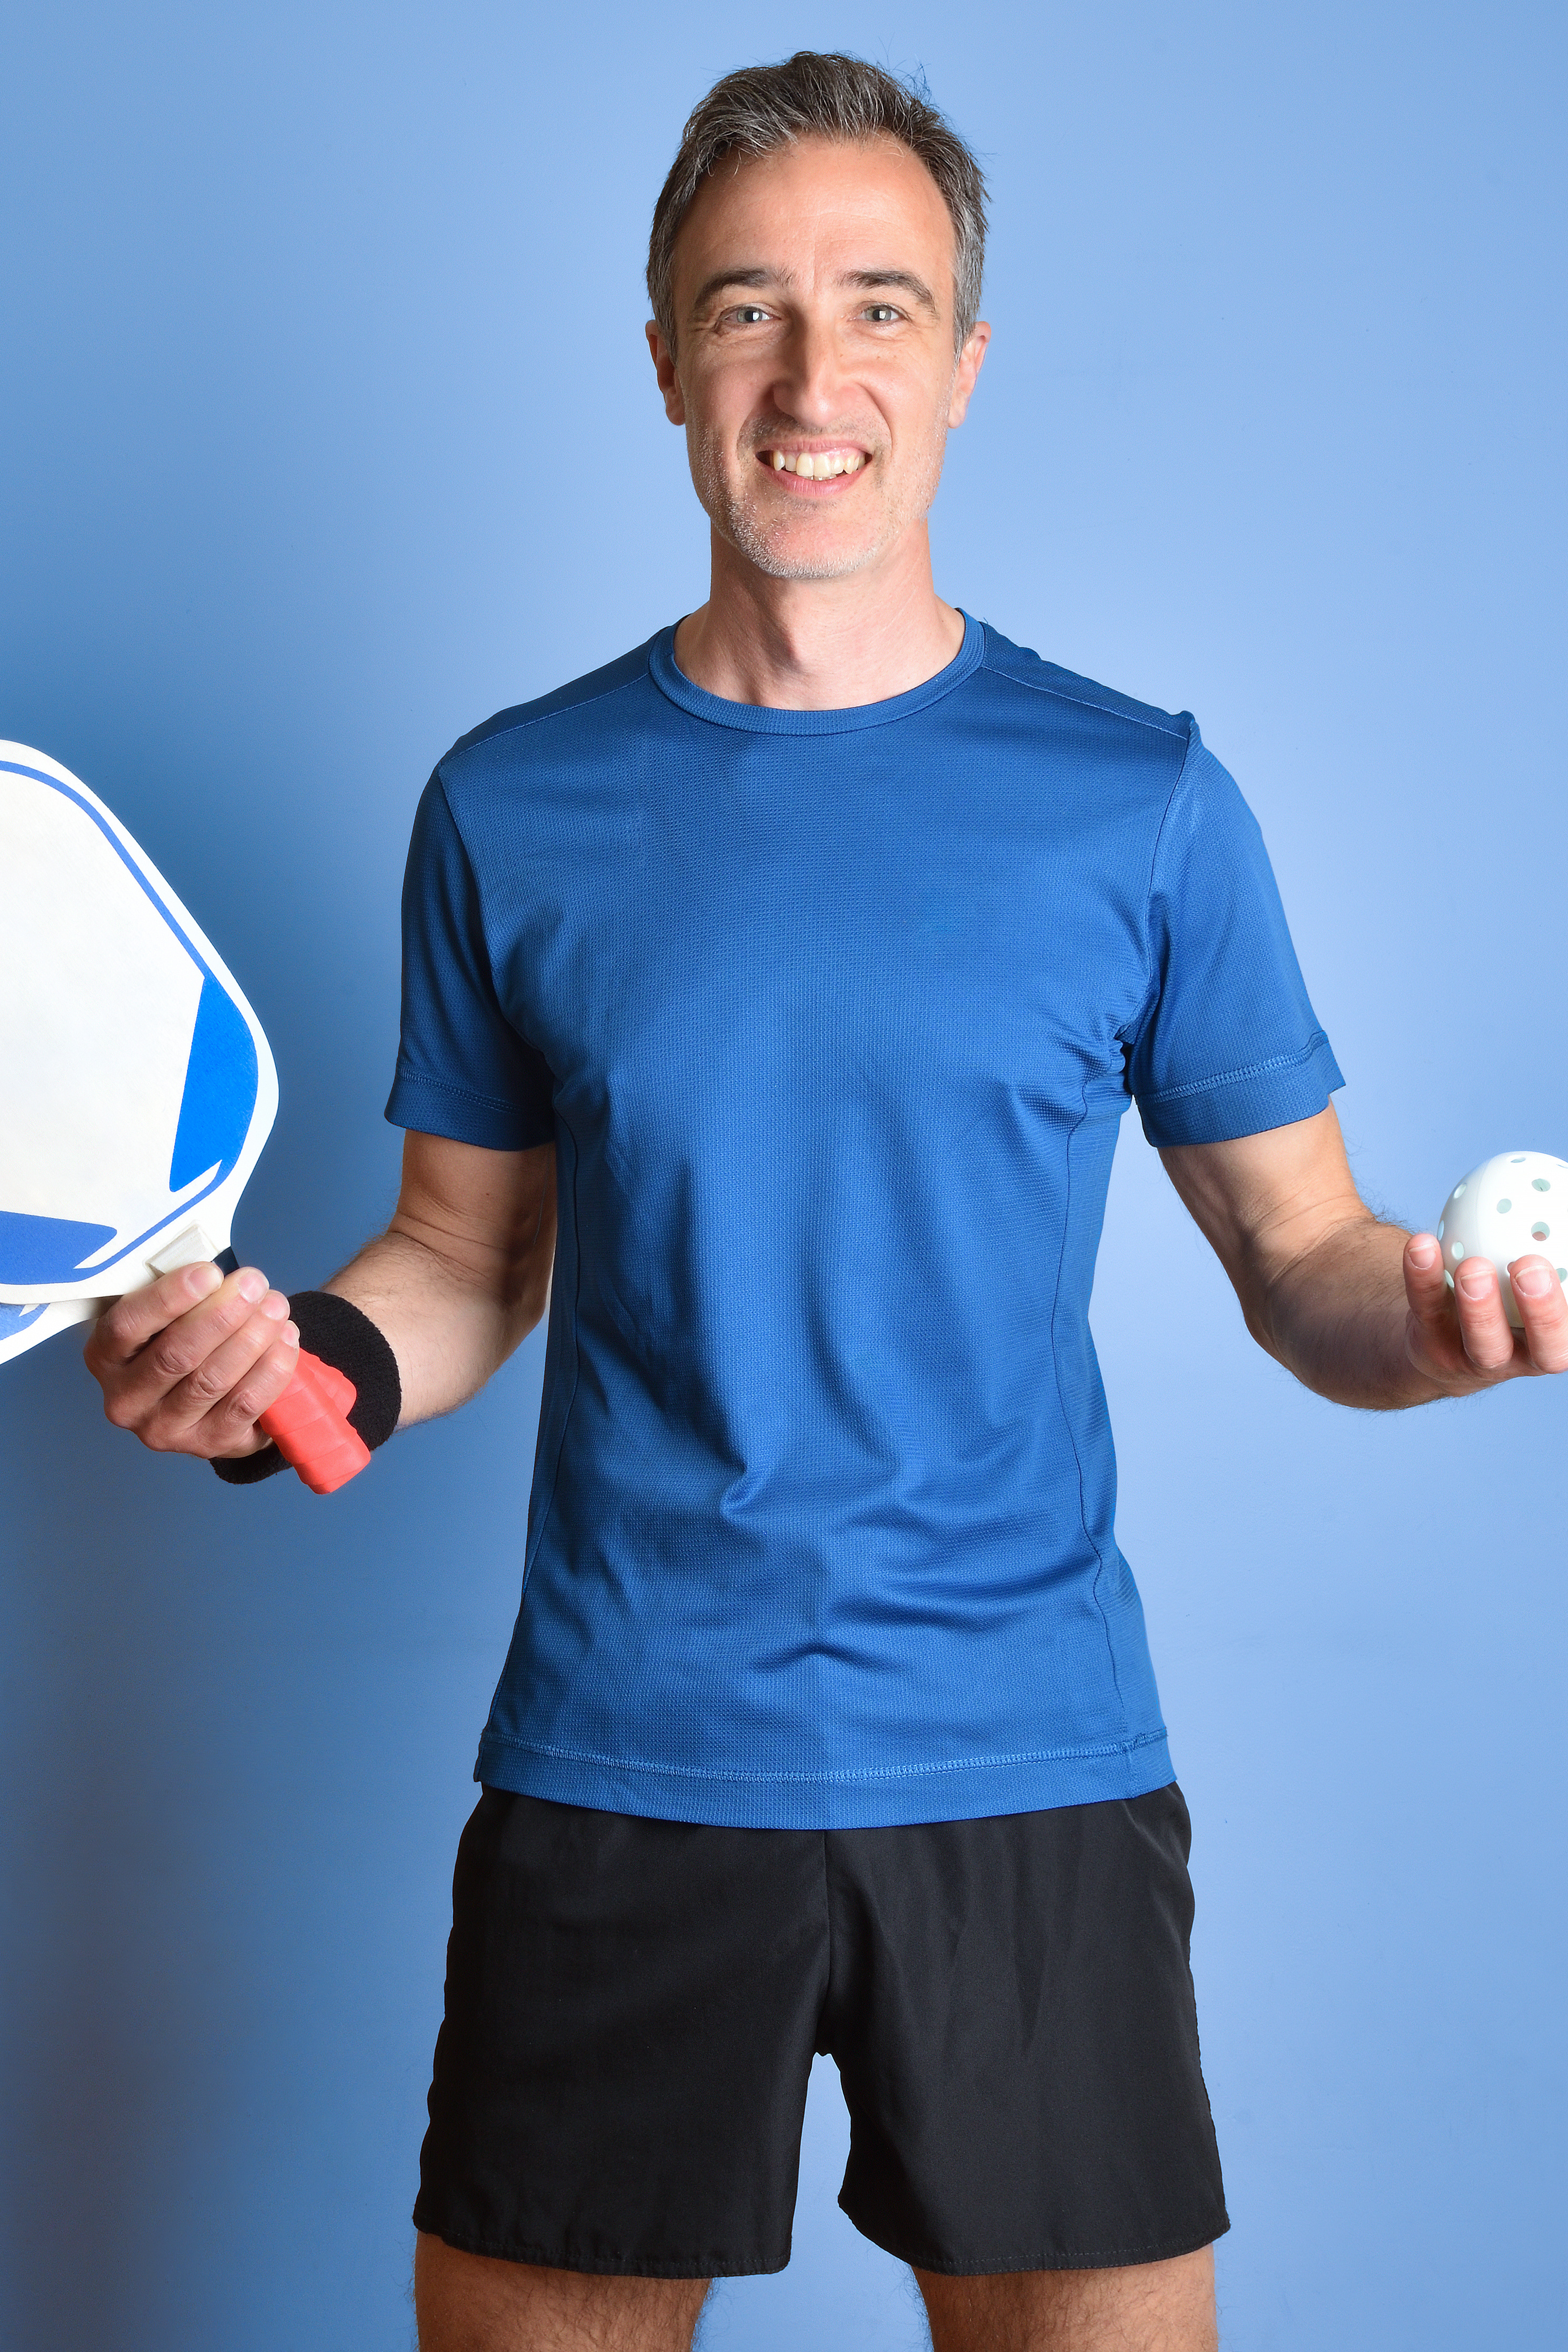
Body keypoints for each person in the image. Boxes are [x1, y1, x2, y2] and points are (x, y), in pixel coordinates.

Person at [84, 50, 1567, 2352]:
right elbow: (467, 1265)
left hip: (1032, 1759)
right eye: (748, 305)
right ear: (668, 354)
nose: (813, 373)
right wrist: (306, 1365)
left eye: (882, 306)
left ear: (967, 368)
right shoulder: (516, 804)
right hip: (625, 1755)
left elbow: (1309, 1265)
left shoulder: (1140, 803)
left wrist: (1458, 1320)